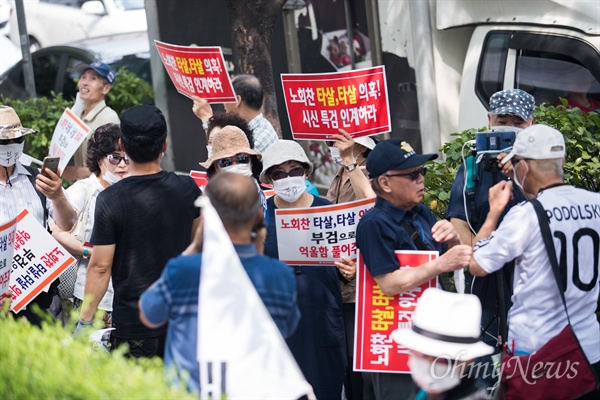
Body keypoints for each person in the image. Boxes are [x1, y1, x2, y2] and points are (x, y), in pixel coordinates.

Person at [469, 124, 600, 398]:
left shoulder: (525, 215)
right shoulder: (596, 203)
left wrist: (493, 212)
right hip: (589, 349)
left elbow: (477, 264)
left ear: (524, 168)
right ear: (562, 160)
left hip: (537, 353)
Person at [138, 172, 300, 392]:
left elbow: (149, 313)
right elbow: (287, 328)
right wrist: (258, 250)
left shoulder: (184, 269)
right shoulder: (281, 276)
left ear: (206, 217)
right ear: (258, 217)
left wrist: (192, 249)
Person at [76, 105, 201, 358]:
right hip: (185, 318)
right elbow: (200, 246)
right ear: (164, 145)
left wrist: (85, 321)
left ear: (122, 145)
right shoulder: (187, 188)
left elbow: (100, 267)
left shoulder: (110, 199)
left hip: (134, 325)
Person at [356, 138, 472, 400]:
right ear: (385, 183)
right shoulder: (374, 224)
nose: (420, 179)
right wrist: (441, 263)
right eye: (411, 174)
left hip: (431, 334)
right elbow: (388, 283)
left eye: (422, 171)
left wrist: (454, 239)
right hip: (394, 339)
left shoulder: (421, 213)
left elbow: (453, 260)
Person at [446, 89, 535, 362]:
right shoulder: (472, 165)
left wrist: (520, 175)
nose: (509, 128)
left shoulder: (540, 165)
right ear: (489, 120)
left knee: (531, 374)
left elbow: (548, 211)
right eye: (502, 120)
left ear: (532, 124)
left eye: (518, 123)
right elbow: (458, 223)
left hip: (530, 287)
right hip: (484, 290)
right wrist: (480, 256)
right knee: (484, 372)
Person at [261, 139, 347, 400]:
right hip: (278, 325)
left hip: (323, 320)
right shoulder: (260, 217)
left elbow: (348, 262)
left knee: (326, 387)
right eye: (279, 174)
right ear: (270, 180)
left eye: (294, 171)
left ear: (305, 172)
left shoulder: (329, 212)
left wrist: (349, 270)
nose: (288, 179)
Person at [0, 105, 77, 325]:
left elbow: (68, 224)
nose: (11, 147)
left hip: (42, 293)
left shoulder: (37, 179)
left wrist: (58, 195)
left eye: (17, 140)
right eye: (3, 142)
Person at [51, 123, 130, 322]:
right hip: (91, 293)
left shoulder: (132, 190)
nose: (122, 164)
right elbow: (54, 228)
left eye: (127, 158)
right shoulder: (85, 189)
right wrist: (87, 250)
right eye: (115, 157)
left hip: (127, 293)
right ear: (99, 159)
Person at [325, 129, 376, 400]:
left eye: (341, 141)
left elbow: (370, 205)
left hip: (362, 283)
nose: (334, 146)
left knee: (362, 366)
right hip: (340, 284)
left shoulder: (369, 172)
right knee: (347, 365)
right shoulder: (338, 173)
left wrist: (350, 163)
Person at [391, 288, 494, 400]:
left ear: (469, 360)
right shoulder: (420, 392)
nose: (429, 364)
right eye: (422, 354)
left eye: (443, 359)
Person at [192, 74, 279, 154]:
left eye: (226, 95)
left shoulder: (257, 140)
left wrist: (207, 119)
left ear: (237, 100)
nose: (223, 103)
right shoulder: (259, 126)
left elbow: (220, 165)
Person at [64, 62, 120, 181]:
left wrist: (76, 172)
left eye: (93, 78)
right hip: (82, 190)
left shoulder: (108, 118)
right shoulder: (76, 115)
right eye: (83, 77)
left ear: (106, 88)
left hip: (101, 192)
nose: (85, 82)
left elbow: (113, 163)